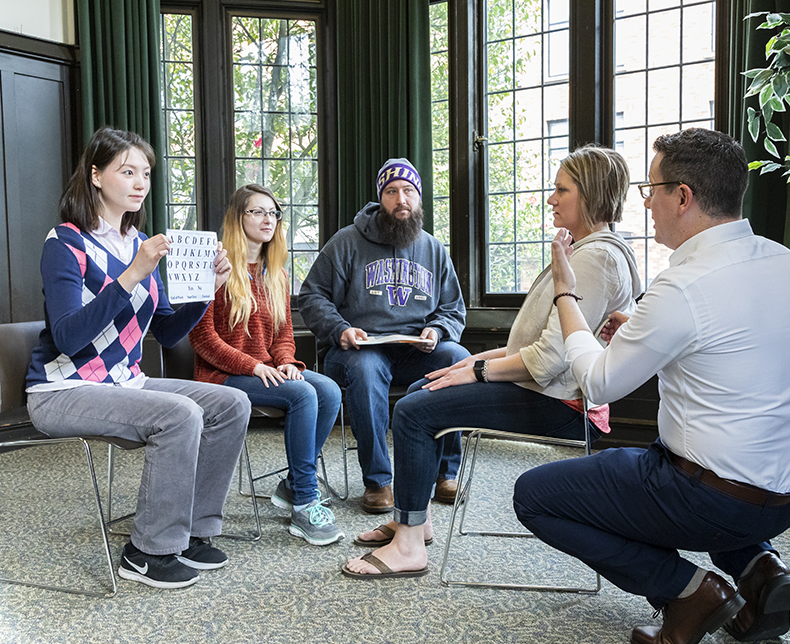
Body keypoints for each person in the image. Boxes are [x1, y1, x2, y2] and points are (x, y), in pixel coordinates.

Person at [514, 128, 790, 644]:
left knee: (534, 494)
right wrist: (644, 326)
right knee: (707, 471)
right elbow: (729, 350)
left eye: (652, 187)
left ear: (683, 197)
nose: (644, 200)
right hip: (785, 499)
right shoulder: (786, 263)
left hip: (708, 499)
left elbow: (596, 382)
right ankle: (761, 571)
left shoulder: (682, 286)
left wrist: (565, 289)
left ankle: (689, 592)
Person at [343, 144, 642, 577]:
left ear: (591, 194)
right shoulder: (583, 248)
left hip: (561, 405)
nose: (552, 198)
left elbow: (548, 360)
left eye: (561, 189)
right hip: (540, 389)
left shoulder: (596, 259)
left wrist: (476, 370)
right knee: (420, 389)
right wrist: (467, 365)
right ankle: (417, 519)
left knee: (412, 412)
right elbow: (533, 340)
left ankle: (408, 547)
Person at [25, 126, 251, 590]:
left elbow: (167, 332)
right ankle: (148, 550)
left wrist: (206, 292)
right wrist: (131, 276)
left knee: (232, 405)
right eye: (127, 171)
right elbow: (68, 337)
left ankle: (191, 530)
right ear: (95, 175)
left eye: (145, 173)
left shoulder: (138, 242)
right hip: (62, 388)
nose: (139, 182)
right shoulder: (65, 243)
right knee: (181, 414)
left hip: (124, 381)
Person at [298, 158, 470, 513]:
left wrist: (437, 331)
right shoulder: (346, 241)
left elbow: (454, 309)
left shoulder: (434, 250)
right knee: (366, 368)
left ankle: (445, 472)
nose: (401, 199)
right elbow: (312, 295)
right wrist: (340, 330)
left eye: (409, 191)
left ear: (419, 199)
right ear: (381, 198)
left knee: (457, 358)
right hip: (357, 350)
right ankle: (379, 481)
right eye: (392, 191)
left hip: (415, 351)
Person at [189, 184, 344, 546]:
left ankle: (292, 484)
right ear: (237, 218)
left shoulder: (275, 273)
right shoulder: (214, 267)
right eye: (257, 211)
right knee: (304, 395)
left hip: (266, 371)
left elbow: (283, 336)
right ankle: (305, 502)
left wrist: (287, 362)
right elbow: (202, 339)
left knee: (330, 391)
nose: (268, 219)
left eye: (273, 213)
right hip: (222, 376)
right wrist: (252, 366)